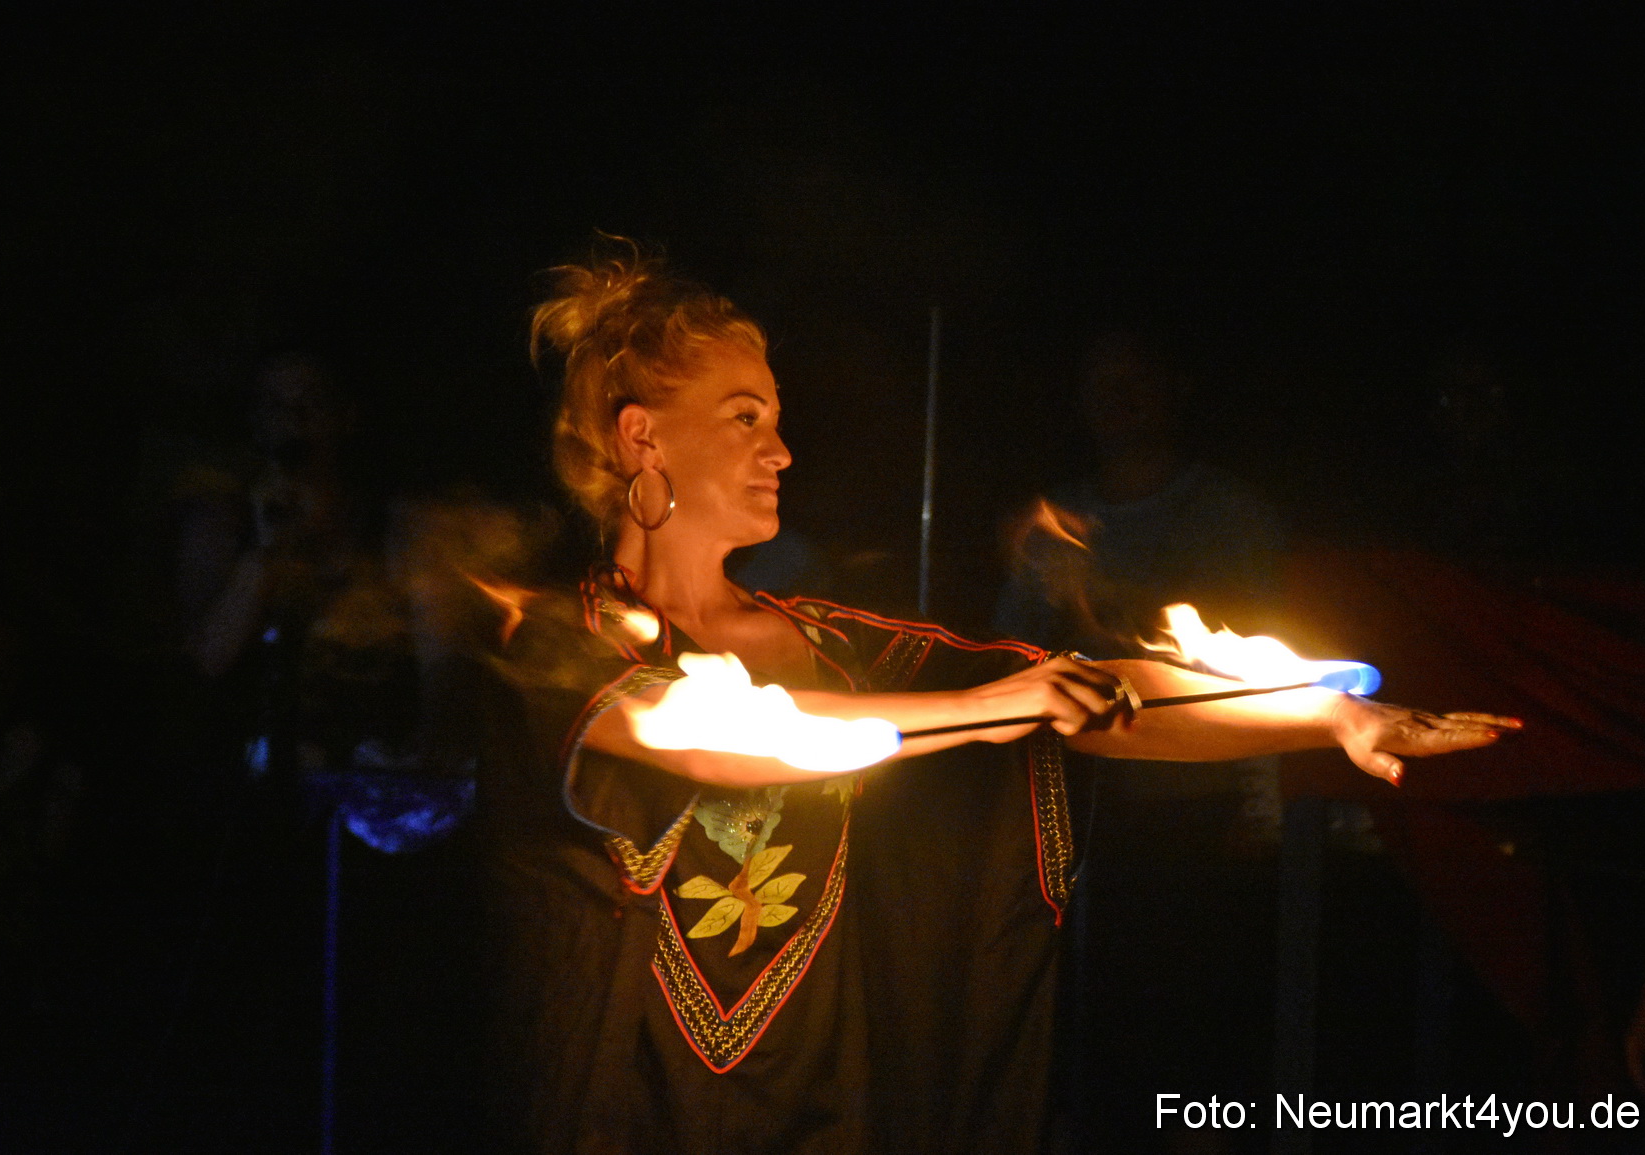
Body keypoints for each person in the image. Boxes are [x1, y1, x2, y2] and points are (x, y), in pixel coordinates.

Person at [479, 243, 1517, 1154]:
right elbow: (718, 738)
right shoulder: (554, 645)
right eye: (744, 417)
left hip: (831, 1112)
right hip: (627, 1112)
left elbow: (1104, 699)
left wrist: (1322, 712)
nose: (781, 451)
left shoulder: (844, 647)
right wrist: (1002, 704)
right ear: (640, 439)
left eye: (779, 419)